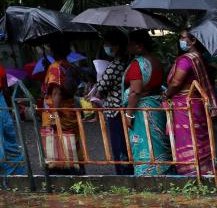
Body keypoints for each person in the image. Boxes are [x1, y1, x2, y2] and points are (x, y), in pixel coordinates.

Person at [162, 30, 217, 176]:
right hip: (197, 103)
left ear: (193, 41)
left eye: (182, 37)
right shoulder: (199, 58)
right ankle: (206, 172)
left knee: (189, 139)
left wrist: (166, 94)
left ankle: (192, 174)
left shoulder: (186, 60)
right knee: (200, 140)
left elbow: (176, 82)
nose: (180, 40)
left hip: (185, 107)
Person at [120, 31, 168, 174]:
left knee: (144, 141)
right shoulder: (156, 61)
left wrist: (129, 115)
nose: (128, 48)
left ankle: (147, 172)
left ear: (139, 46)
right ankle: (163, 170)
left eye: (131, 45)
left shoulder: (137, 64)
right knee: (158, 141)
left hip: (141, 109)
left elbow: (135, 91)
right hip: (156, 106)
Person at [40, 36, 82, 172]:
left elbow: (56, 93)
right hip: (70, 112)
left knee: (58, 145)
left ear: (53, 51)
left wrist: (53, 116)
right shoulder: (68, 66)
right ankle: (76, 170)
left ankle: (62, 172)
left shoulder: (55, 68)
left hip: (59, 113)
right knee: (71, 144)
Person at [91, 30, 131, 174]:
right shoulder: (128, 61)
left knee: (119, 143)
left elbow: (101, 86)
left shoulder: (116, 65)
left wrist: (99, 77)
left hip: (115, 109)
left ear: (116, 46)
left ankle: (123, 171)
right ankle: (127, 168)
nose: (105, 47)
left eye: (107, 44)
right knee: (126, 141)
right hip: (124, 106)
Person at [0, 61, 26, 176]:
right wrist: (10, 108)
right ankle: (16, 173)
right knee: (9, 140)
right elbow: (6, 89)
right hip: (2, 107)